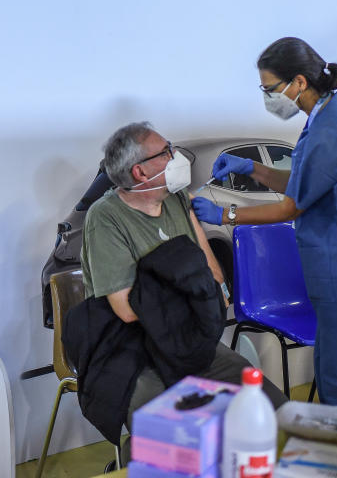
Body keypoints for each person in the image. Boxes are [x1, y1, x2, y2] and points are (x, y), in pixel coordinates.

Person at [191, 37, 337, 406]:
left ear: (299, 82)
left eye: (270, 89)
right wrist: (253, 169)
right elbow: (308, 181)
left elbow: (291, 207)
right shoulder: (330, 112)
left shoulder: (332, 130)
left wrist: (225, 215)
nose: (267, 97)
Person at [78, 122, 286, 448]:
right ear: (140, 172)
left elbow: (213, 274)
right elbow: (128, 310)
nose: (175, 156)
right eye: (165, 152)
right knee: (177, 438)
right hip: (132, 352)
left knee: (271, 412)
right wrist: (194, 286)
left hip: (186, 340)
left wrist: (192, 285)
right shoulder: (105, 218)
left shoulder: (177, 200)